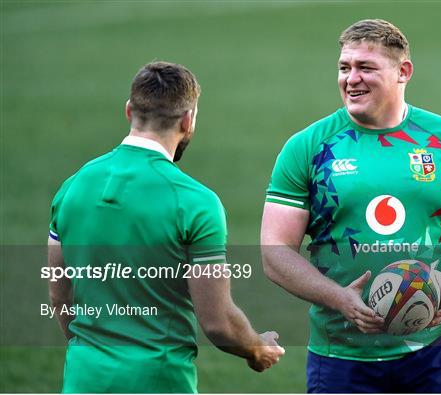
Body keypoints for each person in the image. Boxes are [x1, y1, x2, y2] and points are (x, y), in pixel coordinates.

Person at [261, 19, 441, 393]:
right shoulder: (308, 148)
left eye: (366, 67)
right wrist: (340, 299)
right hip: (341, 358)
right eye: (344, 67)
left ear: (403, 72)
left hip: (432, 356)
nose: (351, 79)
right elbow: (274, 253)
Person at [48, 61, 284, 393]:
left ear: (129, 110)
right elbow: (218, 322)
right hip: (159, 381)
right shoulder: (196, 203)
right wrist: (256, 349)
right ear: (188, 121)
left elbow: (60, 294)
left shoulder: (72, 187)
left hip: (83, 379)